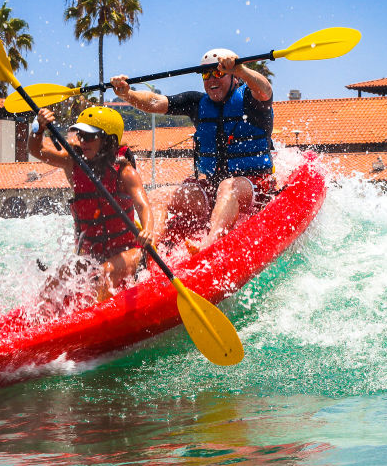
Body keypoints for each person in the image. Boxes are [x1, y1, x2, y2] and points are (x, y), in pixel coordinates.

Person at [110, 48, 275, 251]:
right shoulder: (197, 103)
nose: (211, 79)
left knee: (228, 187)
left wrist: (241, 69)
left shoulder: (252, 100)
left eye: (219, 72)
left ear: (234, 78)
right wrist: (127, 93)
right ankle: (149, 252)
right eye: (206, 74)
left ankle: (209, 246)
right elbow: (155, 102)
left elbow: (265, 89)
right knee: (158, 196)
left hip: (253, 186)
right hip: (211, 187)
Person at [27, 105, 154, 307]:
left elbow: (143, 205)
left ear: (108, 140)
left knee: (101, 275)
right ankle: (37, 321)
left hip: (128, 252)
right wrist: (39, 128)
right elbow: (36, 150)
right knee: (57, 279)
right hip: (92, 255)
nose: (82, 141)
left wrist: (147, 230)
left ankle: (91, 320)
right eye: (81, 135)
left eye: (89, 137)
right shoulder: (72, 162)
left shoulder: (125, 172)